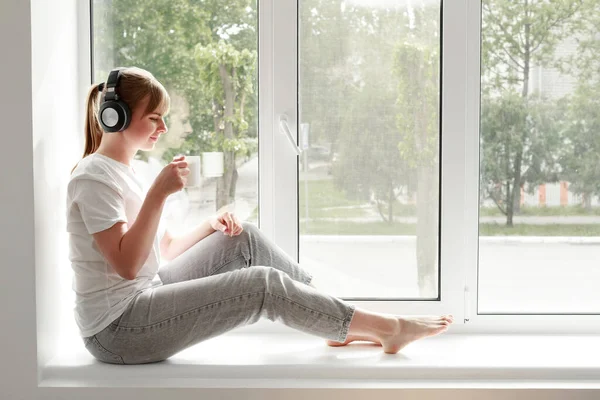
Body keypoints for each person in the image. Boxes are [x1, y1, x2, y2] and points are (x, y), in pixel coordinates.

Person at [67, 66, 453, 365]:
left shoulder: (132, 170)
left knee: (243, 238)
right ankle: (388, 329)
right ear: (114, 117)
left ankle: (339, 321)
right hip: (118, 330)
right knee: (261, 286)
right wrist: (158, 195)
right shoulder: (92, 177)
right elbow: (127, 266)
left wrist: (210, 225)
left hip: (146, 296)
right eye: (154, 117)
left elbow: (164, 249)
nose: (163, 127)